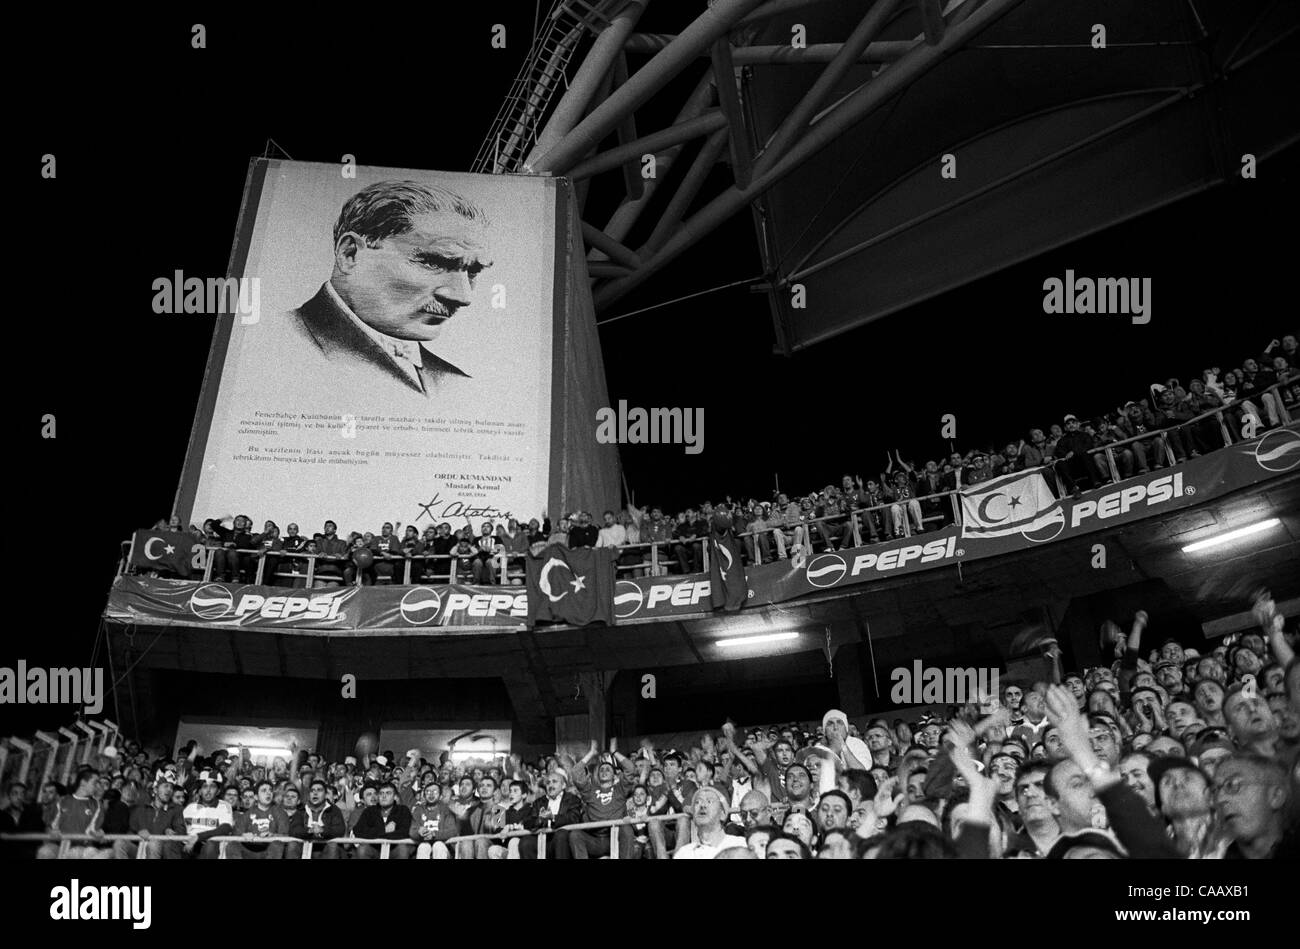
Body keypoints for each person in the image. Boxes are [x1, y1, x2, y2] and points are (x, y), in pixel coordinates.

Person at [252, 180, 493, 399]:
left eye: (473, 272)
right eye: (434, 262)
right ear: (350, 254)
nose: (463, 297)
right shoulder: (268, 351)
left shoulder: (455, 383)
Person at [673, 786, 746, 858]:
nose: (702, 805)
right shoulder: (684, 853)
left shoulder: (740, 846)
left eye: (709, 801)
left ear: (722, 814)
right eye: (697, 802)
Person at [182, 776, 235, 859]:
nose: (208, 790)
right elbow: (181, 828)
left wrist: (198, 836)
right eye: (205, 786)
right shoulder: (190, 808)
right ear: (199, 791)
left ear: (218, 791)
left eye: (213, 787)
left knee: (210, 846)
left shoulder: (223, 807)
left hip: (211, 848)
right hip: (189, 848)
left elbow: (226, 828)